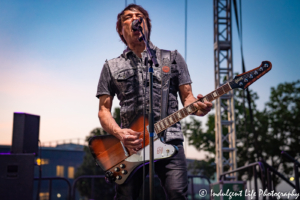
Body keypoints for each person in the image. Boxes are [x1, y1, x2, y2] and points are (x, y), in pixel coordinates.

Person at [96, 4, 212, 200]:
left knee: (177, 193)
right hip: (132, 146)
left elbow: (188, 98)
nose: (135, 18)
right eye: (128, 16)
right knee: (126, 197)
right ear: (121, 29)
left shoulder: (172, 58)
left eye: (140, 16)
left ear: (146, 25)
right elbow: (103, 110)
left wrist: (199, 107)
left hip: (170, 139)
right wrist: (119, 133)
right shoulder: (111, 66)